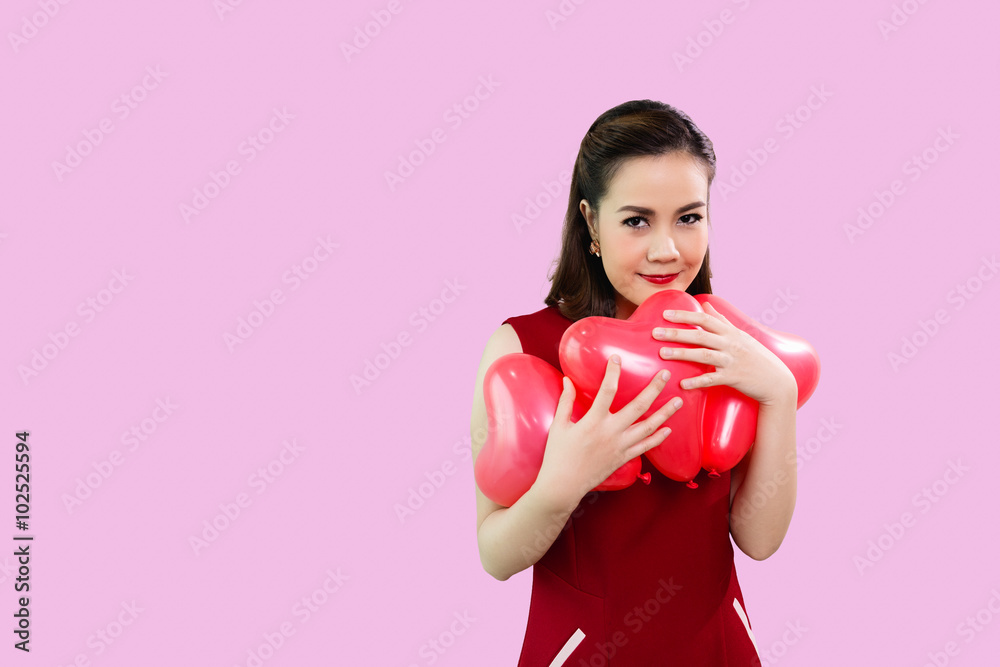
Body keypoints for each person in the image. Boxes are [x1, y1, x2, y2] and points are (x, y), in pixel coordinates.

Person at [469, 100, 799, 665]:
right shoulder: (523, 348)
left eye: (688, 218)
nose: (666, 250)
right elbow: (495, 556)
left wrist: (779, 393)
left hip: (718, 649)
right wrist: (562, 485)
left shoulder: (723, 340)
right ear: (591, 222)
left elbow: (759, 540)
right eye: (636, 221)